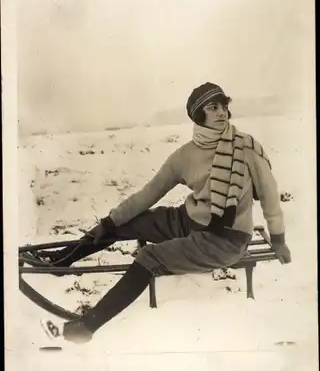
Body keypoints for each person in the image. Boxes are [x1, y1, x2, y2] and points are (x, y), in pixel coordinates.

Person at [41, 82, 291, 344]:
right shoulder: (185, 155)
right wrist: (109, 221)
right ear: (198, 115)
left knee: (148, 257)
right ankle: (61, 262)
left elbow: (270, 194)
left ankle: (88, 326)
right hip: (188, 220)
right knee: (127, 221)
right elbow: (149, 193)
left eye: (225, 107)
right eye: (213, 108)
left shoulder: (245, 149)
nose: (222, 113)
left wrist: (279, 239)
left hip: (224, 240)